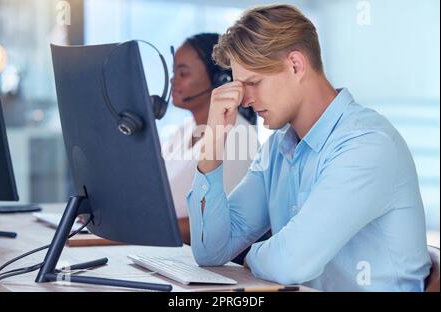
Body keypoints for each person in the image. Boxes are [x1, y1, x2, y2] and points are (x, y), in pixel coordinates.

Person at [186, 4, 431, 291]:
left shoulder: (367, 145)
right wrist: (213, 141)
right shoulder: (277, 148)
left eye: (253, 83)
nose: (244, 101)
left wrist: (250, 257)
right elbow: (210, 252)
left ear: (295, 65)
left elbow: (291, 263)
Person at [163, 33, 258, 247]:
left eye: (183, 73)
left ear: (220, 81)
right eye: (173, 72)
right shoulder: (183, 131)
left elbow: (218, 223)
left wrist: (149, 229)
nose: (173, 80)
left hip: (200, 260)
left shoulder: (238, 136)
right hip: (171, 253)